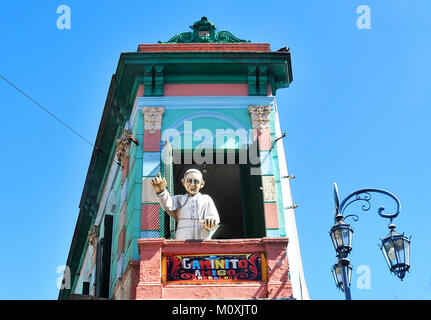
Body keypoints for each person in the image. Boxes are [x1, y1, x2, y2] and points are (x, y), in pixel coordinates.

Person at [151, 169, 219, 240]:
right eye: (189, 181)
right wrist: (161, 191)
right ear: (183, 182)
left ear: (202, 184)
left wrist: (211, 221)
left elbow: (214, 219)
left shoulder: (206, 199)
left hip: (202, 241)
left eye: (196, 181)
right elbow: (167, 204)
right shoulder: (179, 199)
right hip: (182, 240)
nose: (192, 184)